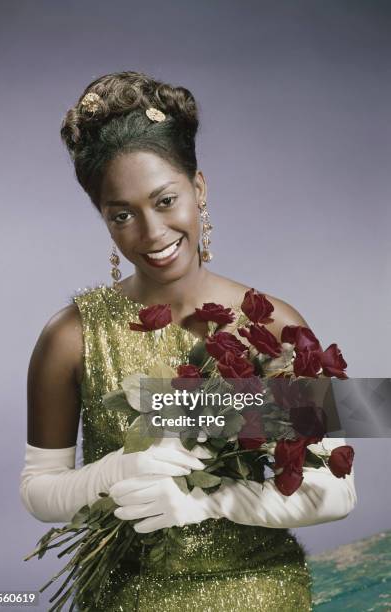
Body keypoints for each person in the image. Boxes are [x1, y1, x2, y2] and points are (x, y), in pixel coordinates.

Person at [19, 71, 357, 611]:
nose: (152, 234)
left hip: (257, 590)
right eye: (122, 214)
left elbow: (336, 492)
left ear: (199, 188)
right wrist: (116, 471)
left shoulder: (268, 328)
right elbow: (40, 491)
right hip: (122, 594)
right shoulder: (71, 338)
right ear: (103, 219)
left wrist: (212, 501)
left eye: (166, 199)